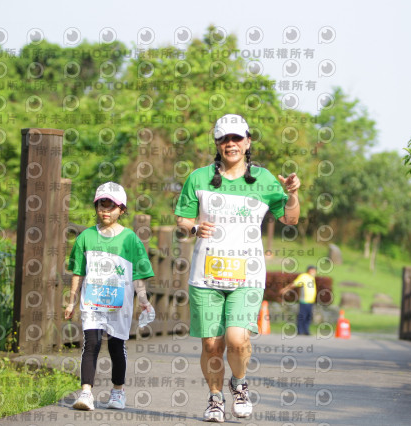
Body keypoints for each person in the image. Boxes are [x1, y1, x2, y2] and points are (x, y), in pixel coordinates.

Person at [175, 114, 301, 422]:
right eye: (223, 139)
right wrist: (194, 229)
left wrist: (293, 193)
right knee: (211, 344)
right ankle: (215, 398)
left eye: (236, 139)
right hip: (206, 275)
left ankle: (240, 384)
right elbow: (182, 220)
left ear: (247, 142)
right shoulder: (198, 177)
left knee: (236, 339)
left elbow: (291, 219)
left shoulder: (264, 179)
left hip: (248, 276)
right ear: (217, 145)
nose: (230, 144)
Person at [64, 182, 155, 411]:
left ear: (121, 210)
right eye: (101, 204)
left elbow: (139, 274)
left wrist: (143, 300)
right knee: (91, 343)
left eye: (111, 206)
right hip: (92, 301)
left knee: (116, 346)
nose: (105, 210)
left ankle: (117, 392)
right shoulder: (85, 237)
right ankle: (86, 393)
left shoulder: (130, 239)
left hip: (118, 304)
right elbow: (78, 271)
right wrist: (71, 300)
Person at [279, 265, 317, 335]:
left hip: (311, 301)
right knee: (302, 316)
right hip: (304, 300)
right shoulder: (304, 277)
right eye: (312, 271)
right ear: (308, 271)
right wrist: (286, 289)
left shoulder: (312, 278)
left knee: (308, 317)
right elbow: (294, 284)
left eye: (314, 271)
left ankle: (306, 331)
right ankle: (300, 330)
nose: (314, 272)